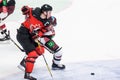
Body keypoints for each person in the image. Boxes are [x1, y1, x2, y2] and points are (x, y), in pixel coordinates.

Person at [17, 4, 65, 80]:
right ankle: (27, 70)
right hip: (26, 34)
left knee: (41, 51)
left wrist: (38, 34)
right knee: (34, 53)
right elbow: (27, 10)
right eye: (51, 25)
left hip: (37, 37)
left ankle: (26, 62)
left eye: (52, 25)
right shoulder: (36, 12)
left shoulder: (47, 24)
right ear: (44, 12)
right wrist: (24, 9)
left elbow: (42, 31)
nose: (51, 26)